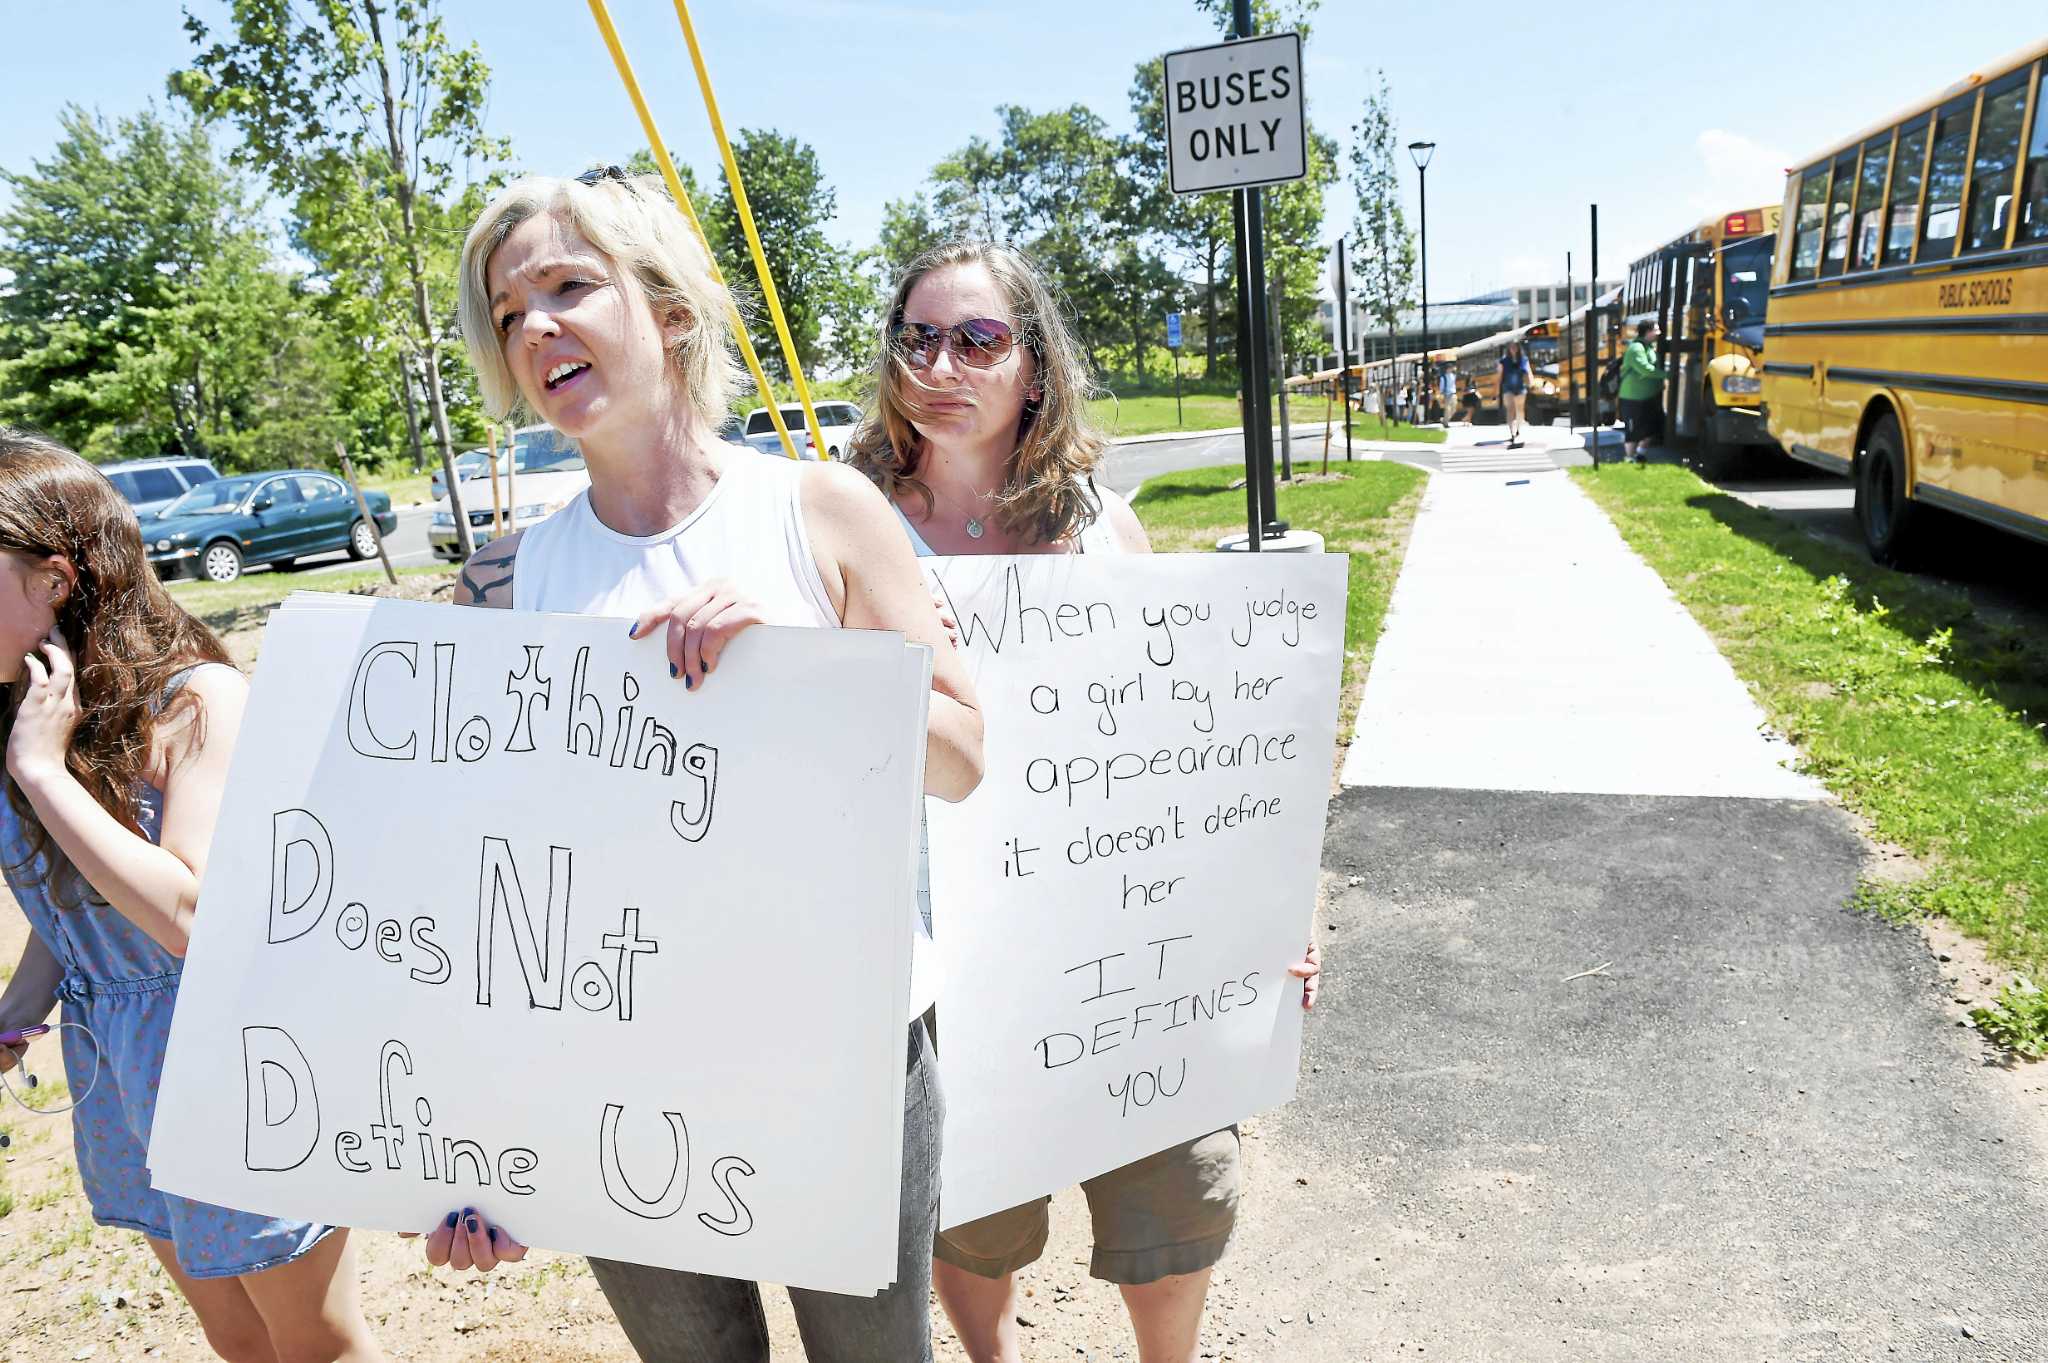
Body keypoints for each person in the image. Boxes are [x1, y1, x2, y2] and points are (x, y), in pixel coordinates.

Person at [436, 168, 983, 1363]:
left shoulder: (821, 512)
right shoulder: (501, 582)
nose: (536, 326)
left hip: (837, 1061)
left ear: (671, 310)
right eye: (509, 307)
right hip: (616, 1071)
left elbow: (960, 761)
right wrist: (477, 1139)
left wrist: (805, 667)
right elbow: (477, 876)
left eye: (569, 286)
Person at [846, 240, 1323, 1363]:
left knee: (1178, 1184)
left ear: (1034, 366)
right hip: (940, 937)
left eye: (975, 338)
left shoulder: (1103, 527)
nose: (939, 364)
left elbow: (1190, 748)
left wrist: (1276, 915)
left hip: (1124, 928)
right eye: (916, 337)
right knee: (969, 1216)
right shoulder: (845, 526)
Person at [0, 430, 387, 1363]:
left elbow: (188, 919)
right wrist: (15, 1008)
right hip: (115, 1057)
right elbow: (77, 909)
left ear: (54, 578)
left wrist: (44, 775)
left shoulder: (198, 699)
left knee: (315, 1341)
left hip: (226, 1051)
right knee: (237, 1336)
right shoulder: (27, 712)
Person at [1619, 319, 1664, 465]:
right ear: (1648, 331)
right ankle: (1629, 458)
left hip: (1648, 397)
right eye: (1656, 329)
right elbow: (1645, 369)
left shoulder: (1649, 347)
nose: (1659, 332)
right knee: (1633, 430)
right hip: (1632, 397)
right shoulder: (1636, 348)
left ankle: (1639, 455)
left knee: (1650, 429)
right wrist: (1667, 375)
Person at [1499, 338, 1533, 448]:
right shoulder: (1504, 361)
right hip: (1507, 387)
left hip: (1520, 387)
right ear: (1509, 349)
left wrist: (1530, 382)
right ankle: (1512, 432)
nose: (1513, 349)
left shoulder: (1523, 359)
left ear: (1518, 348)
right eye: (1511, 347)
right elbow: (1499, 376)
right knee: (1510, 409)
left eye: (1515, 347)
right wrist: (1495, 391)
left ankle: (1518, 428)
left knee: (1519, 409)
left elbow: (1528, 372)